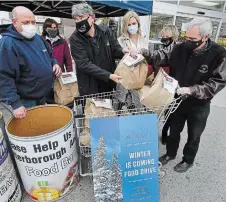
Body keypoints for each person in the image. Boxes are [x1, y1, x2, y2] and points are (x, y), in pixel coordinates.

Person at [159, 17, 226, 173]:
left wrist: (192, 90)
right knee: (174, 130)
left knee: (194, 135)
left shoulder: (219, 54)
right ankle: (170, 153)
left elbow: (218, 82)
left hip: (199, 105)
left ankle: (188, 160)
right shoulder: (179, 48)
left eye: (192, 39)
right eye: (186, 37)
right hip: (178, 100)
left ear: (205, 37)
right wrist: (142, 53)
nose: (187, 41)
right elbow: (161, 56)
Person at [0, 6, 62, 119]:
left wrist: (55, 63)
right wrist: (15, 104)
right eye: (26, 22)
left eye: (33, 22)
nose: (31, 25)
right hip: (25, 101)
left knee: (43, 127)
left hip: (42, 96)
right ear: (14, 22)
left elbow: (50, 55)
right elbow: (4, 77)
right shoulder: (8, 44)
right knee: (30, 132)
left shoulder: (38, 38)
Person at [70, 3, 129, 96]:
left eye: (81, 18)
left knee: (109, 109)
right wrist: (108, 75)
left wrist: (123, 51)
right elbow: (84, 64)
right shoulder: (75, 39)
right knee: (92, 110)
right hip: (90, 87)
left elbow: (115, 49)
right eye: (76, 19)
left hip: (107, 85)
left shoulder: (105, 31)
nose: (78, 22)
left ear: (92, 17)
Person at [142, 25, 179, 145]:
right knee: (154, 110)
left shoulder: (177, 51)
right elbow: (153, 65)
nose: (164, 38)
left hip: (170, 87)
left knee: (168, 113)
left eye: (167, 36)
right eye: (162, 36)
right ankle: (149, 134)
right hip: (158, 85)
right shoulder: (160, 49)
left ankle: (164, 134)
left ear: (173, 37)